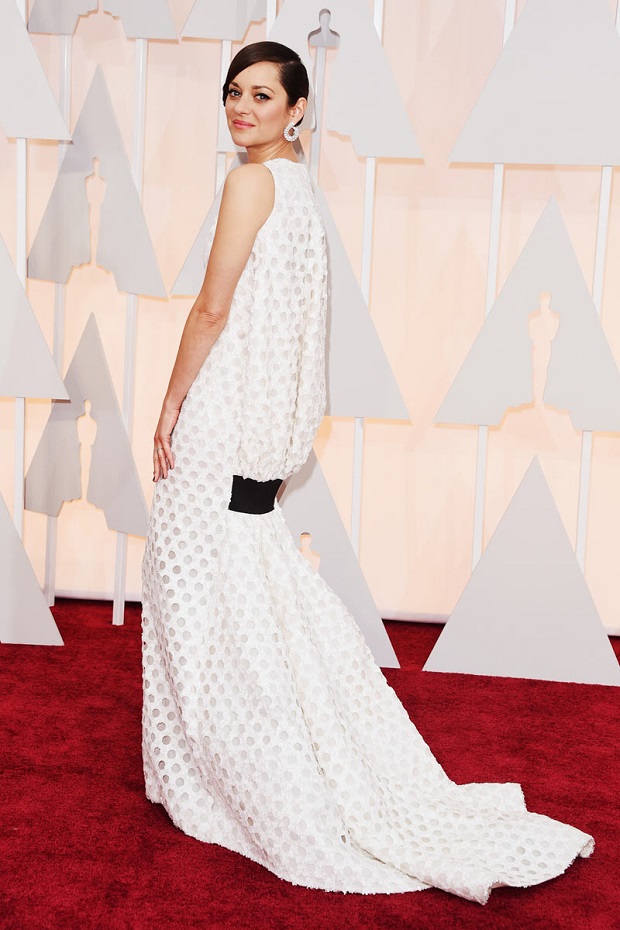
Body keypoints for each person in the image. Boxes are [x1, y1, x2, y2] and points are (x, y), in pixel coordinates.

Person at [141, 41, 593, 903]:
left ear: (297, 110)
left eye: (262, 96)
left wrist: (169, 404)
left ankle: (220, 766)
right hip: (253, 430)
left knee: (199, 588)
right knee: (243, 590)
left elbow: (212, 308)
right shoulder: (300, 189)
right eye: (233, 92)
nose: (241, 108)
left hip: (219, 418)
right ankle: (238, 754)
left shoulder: (250, 184)